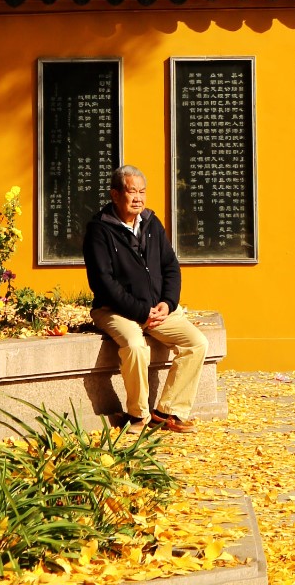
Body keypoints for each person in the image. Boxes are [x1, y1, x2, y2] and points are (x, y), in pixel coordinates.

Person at [83, 164, 208, 433]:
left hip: (156, 310)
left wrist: (168, 303)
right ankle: (137, 415)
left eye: (142, 191)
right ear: (115, 195)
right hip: (114, 310)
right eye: (132, 192)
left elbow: (170, 267)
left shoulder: (151, 223)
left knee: (197, 343)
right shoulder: (99, 230)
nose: (138, 198)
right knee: (136, 346)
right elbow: (103, 283)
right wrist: (141, 312)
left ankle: (168, 410)